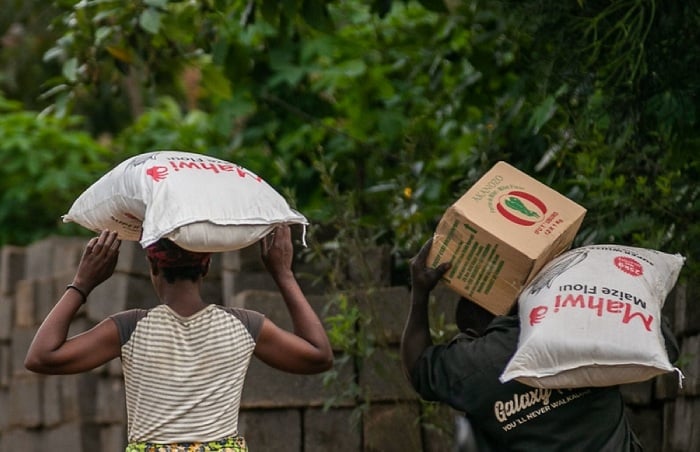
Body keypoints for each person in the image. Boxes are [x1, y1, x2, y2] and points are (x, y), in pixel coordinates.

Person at [25, 226, 333, 452]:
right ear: (206, 266)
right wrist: (283, 274)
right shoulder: (244, 325)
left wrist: (82, 284)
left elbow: (41, 357)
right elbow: (319, 355)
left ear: (153, 266)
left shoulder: (129, 328)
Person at [401, 238, 679, 452]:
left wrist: (420, 294)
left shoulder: (475, 364)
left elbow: (419, 367)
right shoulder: (585, 324)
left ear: (476, 331)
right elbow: (665, 345)